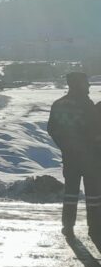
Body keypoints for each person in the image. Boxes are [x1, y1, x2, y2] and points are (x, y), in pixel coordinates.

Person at [47, 72, 99, 240]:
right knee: (93, 194)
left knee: (71, 192)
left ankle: (68, 225)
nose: (89, 86)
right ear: (78, 84)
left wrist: (65, 147)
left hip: (70, 157)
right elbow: (94, 131)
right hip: (89, 158)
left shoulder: (58, 104)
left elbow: (52, 129)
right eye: (86, 83)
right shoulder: (86, 105)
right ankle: (95, 226)